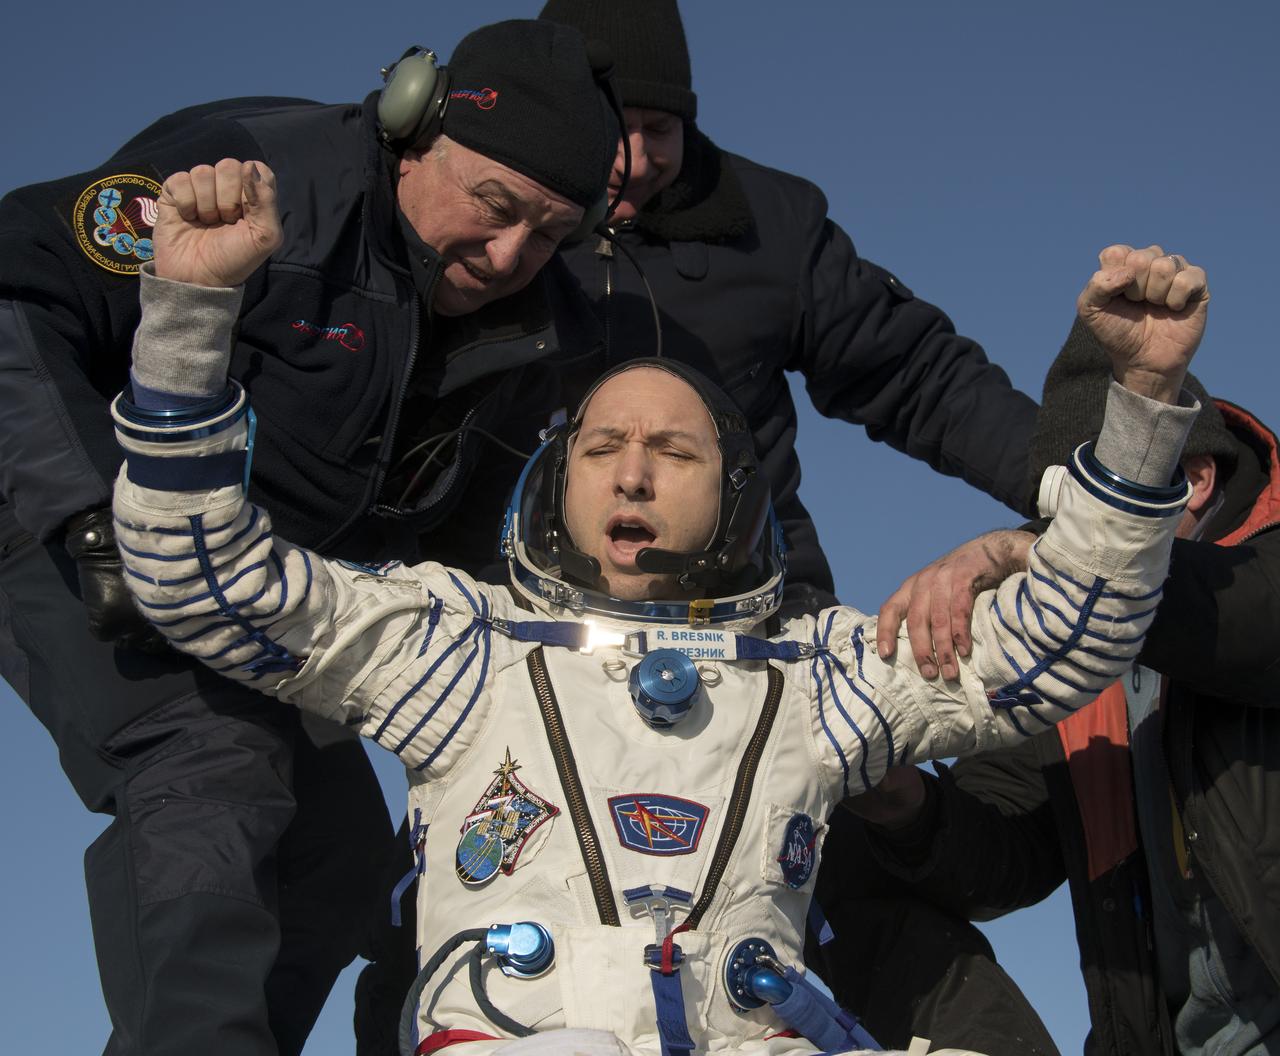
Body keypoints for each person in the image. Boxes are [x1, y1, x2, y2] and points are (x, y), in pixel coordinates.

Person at [109, 154, 1204, 1055]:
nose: (631, 475)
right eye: (603, 448)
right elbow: (204, 577)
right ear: (559, 479)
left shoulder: (807, 679)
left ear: (733, 498)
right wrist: (190, 313)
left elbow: (1063, 643)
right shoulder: (456, 650)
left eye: (671, 451)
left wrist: (1142, 407)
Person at [0, 19, 617, 1056]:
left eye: (549, 232)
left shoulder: (537, 327)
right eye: (494, 206)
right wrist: (90, 514)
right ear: (412, 126)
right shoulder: (252, 180)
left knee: (335, 866)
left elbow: (464, 548)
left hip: (257, 589)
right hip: (58, 518)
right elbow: (12, 298)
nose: (510, 254)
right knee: (212, 767)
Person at [847, 312, 1280, 1054]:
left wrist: (1032, 558)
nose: (1068, 543)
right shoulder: (1078, 668)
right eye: (1058, 517)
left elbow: (1246, 619)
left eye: (1093, 511)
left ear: (1197, 480)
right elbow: (1004, 849)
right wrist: (900, 801)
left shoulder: (1258, 587)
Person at [535, 0, 1039, 617]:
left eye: (660, 128)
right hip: (521, 608)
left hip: (753, 611)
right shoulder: (495, 227)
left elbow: (915, 373)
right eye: (610, 127)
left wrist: (1076, 482)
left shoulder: (773, 224)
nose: (635, 159)